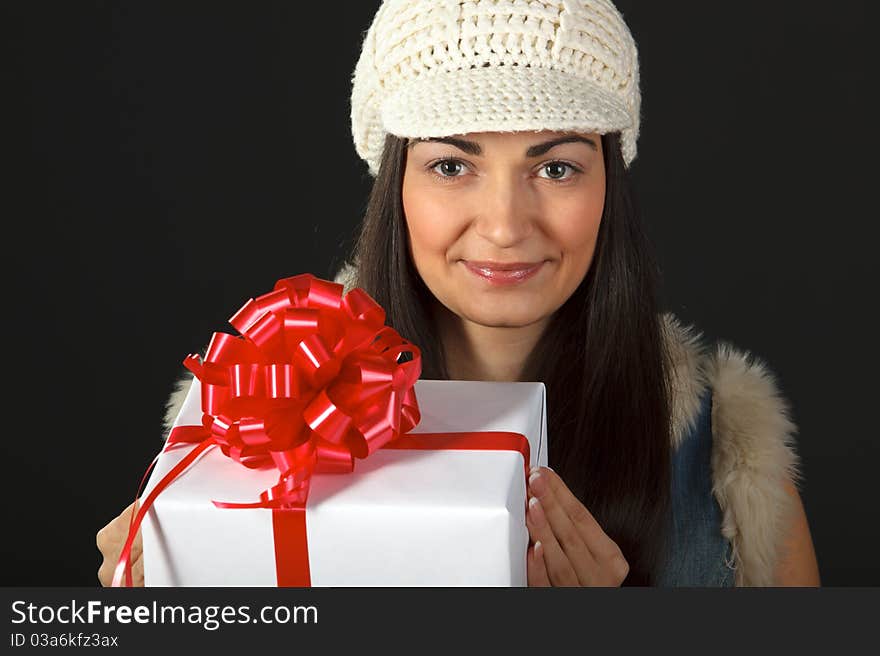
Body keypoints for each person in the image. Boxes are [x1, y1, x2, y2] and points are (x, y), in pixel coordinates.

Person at [97, 0, 820, 587]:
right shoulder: (256, 429)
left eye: (558, 168)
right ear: (396, 187)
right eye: (451, 165)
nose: (505, 226)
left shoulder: (731, 464)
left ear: (610, 184)